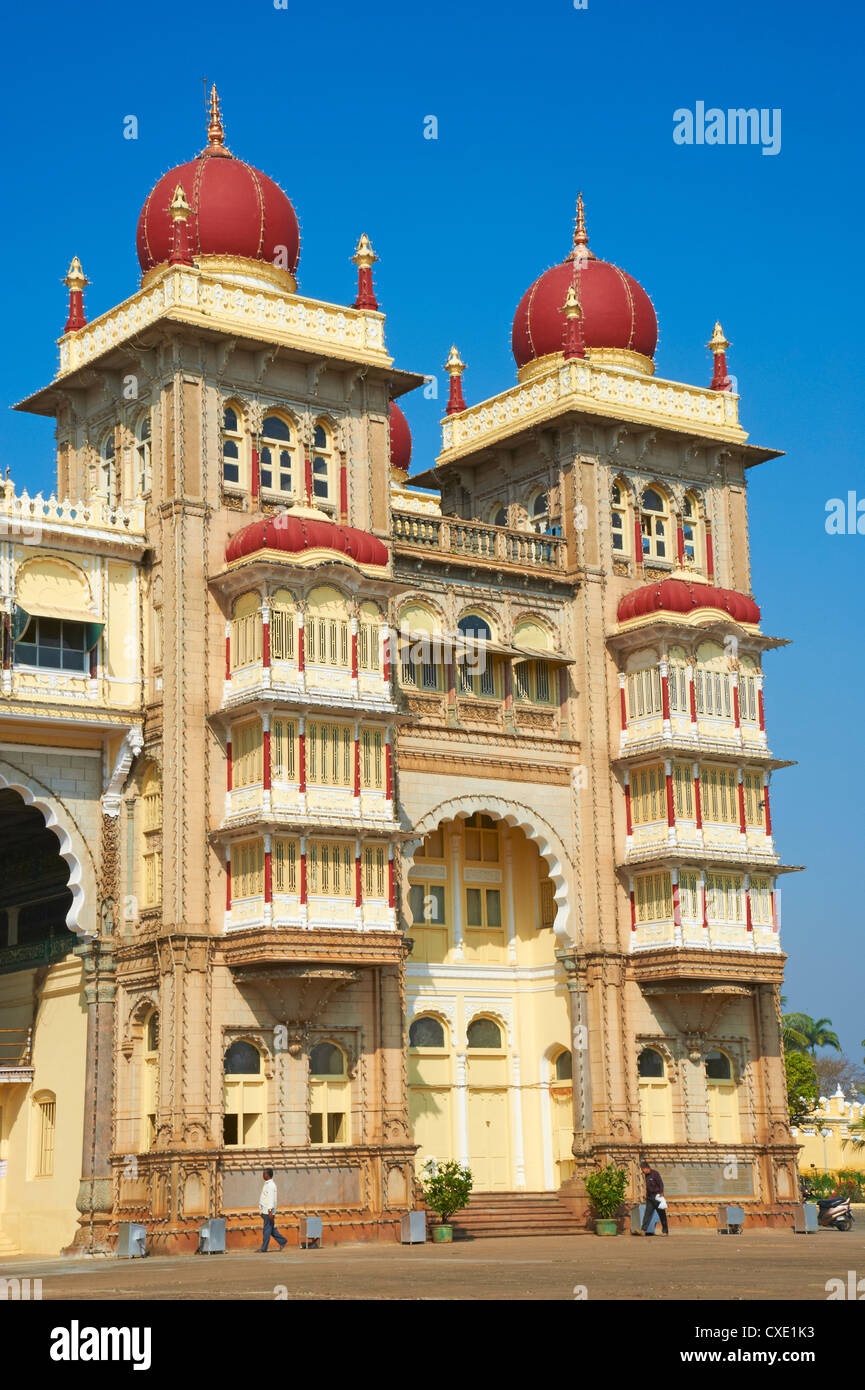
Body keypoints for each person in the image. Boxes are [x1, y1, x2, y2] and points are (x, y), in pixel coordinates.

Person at [258, 1168, 287, 1252]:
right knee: (270, 1229)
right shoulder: (267, 1184)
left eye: (264, 1173)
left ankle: (264, 1248)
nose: (263, 1175)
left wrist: (270, 1211)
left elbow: (271, 1199)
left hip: (268, 1211)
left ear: (268, 1175)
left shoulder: (271, 1185)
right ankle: (283, 1241)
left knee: (267, 1230)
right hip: (265, 1211)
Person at [640, 1159, 669, 1235]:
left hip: (657, 1196)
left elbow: (661, 1183)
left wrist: (661, 1192)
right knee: (647, 1214)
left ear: (646, 1168)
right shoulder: (646, 1175)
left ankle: (665, 1231)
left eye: (643, 1169)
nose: (643, 1171)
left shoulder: (655, 1174)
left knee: (662, 1214)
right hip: (650, 1198)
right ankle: (643, 1230)